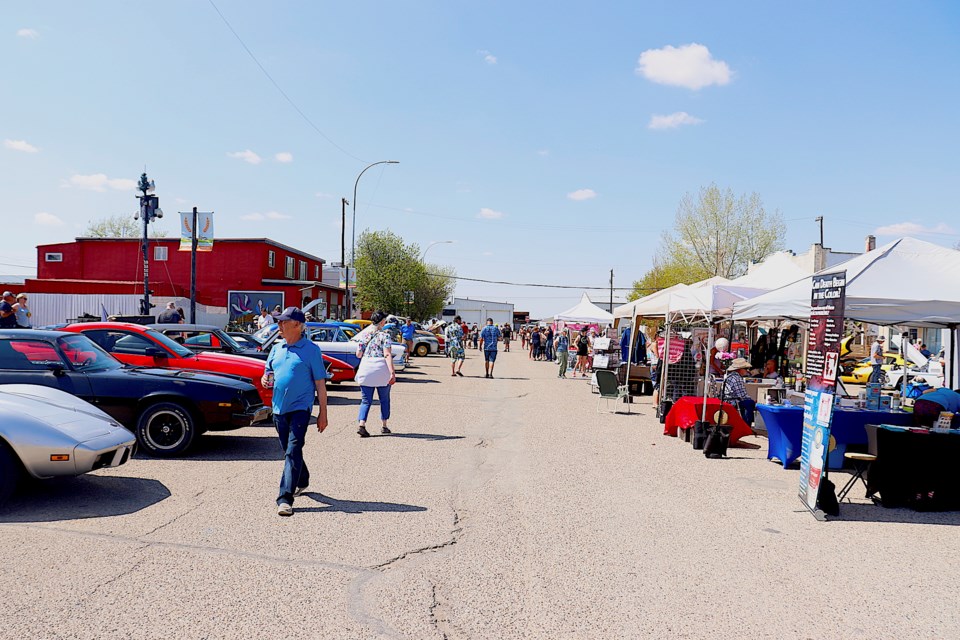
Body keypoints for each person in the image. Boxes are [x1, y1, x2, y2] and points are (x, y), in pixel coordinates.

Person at [263, 307, 329, 517]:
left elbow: (320, 384)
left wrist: (323, 414)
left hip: (301, 408)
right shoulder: (277, 348)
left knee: (292, 450)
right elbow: (268, 372)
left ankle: (285, 499)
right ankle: (302, 478)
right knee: (291, 450)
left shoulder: (311, 349)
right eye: (279, 321)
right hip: (278, 408)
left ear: (297, 326)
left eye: (284, 322)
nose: (279, 325)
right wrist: (265, 379)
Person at [354, 311, 397, 437]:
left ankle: (362, 424)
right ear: (382, 321)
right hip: (381, 369)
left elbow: (358, 354)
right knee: (384, 399)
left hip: (366, 368)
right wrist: (392, 373)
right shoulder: (385, 336)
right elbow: (387, 354)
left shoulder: (365, 335)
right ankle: (384, 425)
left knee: (366, 400)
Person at [723, 357, 756, 425]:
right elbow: (742, 395)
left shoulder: (730, 376)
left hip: (727, 400)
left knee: (749, 402)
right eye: (746, 369)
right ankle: (746, 424)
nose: (747, 370)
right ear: (740, 369)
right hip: (733, 401)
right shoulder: (737, 378)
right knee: (750, 403)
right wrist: (754, 401)